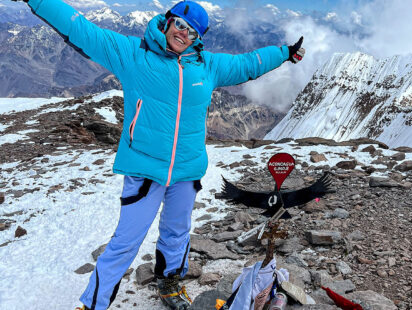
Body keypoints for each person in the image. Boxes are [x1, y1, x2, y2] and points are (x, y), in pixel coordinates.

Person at [11, 0, 305, 309]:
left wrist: (284, 53)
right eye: (180, 24)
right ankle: (93, 303)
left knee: (176, 232)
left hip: (187, 171)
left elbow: (248, 63)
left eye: (192, 31)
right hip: (144, 169)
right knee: (125, 242)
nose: (183, 33)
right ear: (167, 22)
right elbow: (82, 30)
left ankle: (170, 283)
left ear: (198, 37)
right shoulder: (134, 55)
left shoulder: (207, 66)